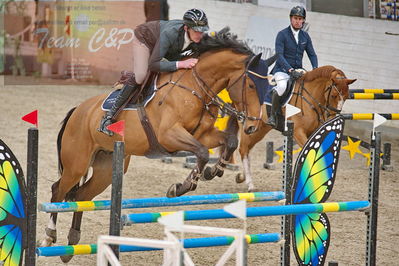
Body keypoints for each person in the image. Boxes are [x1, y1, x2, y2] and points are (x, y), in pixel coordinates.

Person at [98, 8, 209, 136]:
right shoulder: (170, 33)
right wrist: (181, 63)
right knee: (141, 75)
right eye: (196, 31)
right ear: (186, 28)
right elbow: (153, 63)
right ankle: (108, 116)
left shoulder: (198, 38)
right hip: (145, 38)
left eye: (202, 31)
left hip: (166, 47)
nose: (199, 35)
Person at [267, 5, 318, 128]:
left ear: (303, 21)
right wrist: (290, 70)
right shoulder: (282, 34)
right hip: (282, 70)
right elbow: (279, 55)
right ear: (291, 19)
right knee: (282, 86)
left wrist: (315, 69)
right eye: (295, 18)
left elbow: (312, 54)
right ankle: (273, 115)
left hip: (298, 70)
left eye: (300, 19)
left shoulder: (305, 36)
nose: (298, 21)